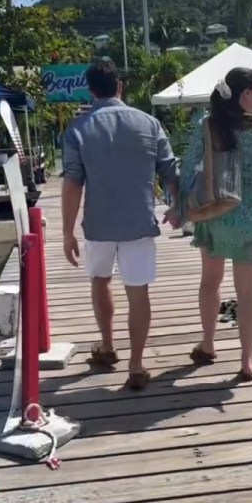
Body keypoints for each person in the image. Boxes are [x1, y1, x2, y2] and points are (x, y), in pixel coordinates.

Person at [168, 67, 252, 382]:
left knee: (210, 283)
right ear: (245, 94)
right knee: (247, 293)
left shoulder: (207, 126)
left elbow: (190, 172)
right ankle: (246, 360)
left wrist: (181, 209)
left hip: (213, 217)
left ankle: (209, 343)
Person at [62, 60, 178, 390]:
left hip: (98, 224)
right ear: (120, 87)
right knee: (138, 293)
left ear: (91, 90)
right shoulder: (149, 123)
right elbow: (171, 172)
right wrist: (178, 209)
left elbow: (73, 183)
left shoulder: (78, 129)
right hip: (139, 222)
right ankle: (137, 364)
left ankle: (107, 345)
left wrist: (67, 231)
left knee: (100, 282)